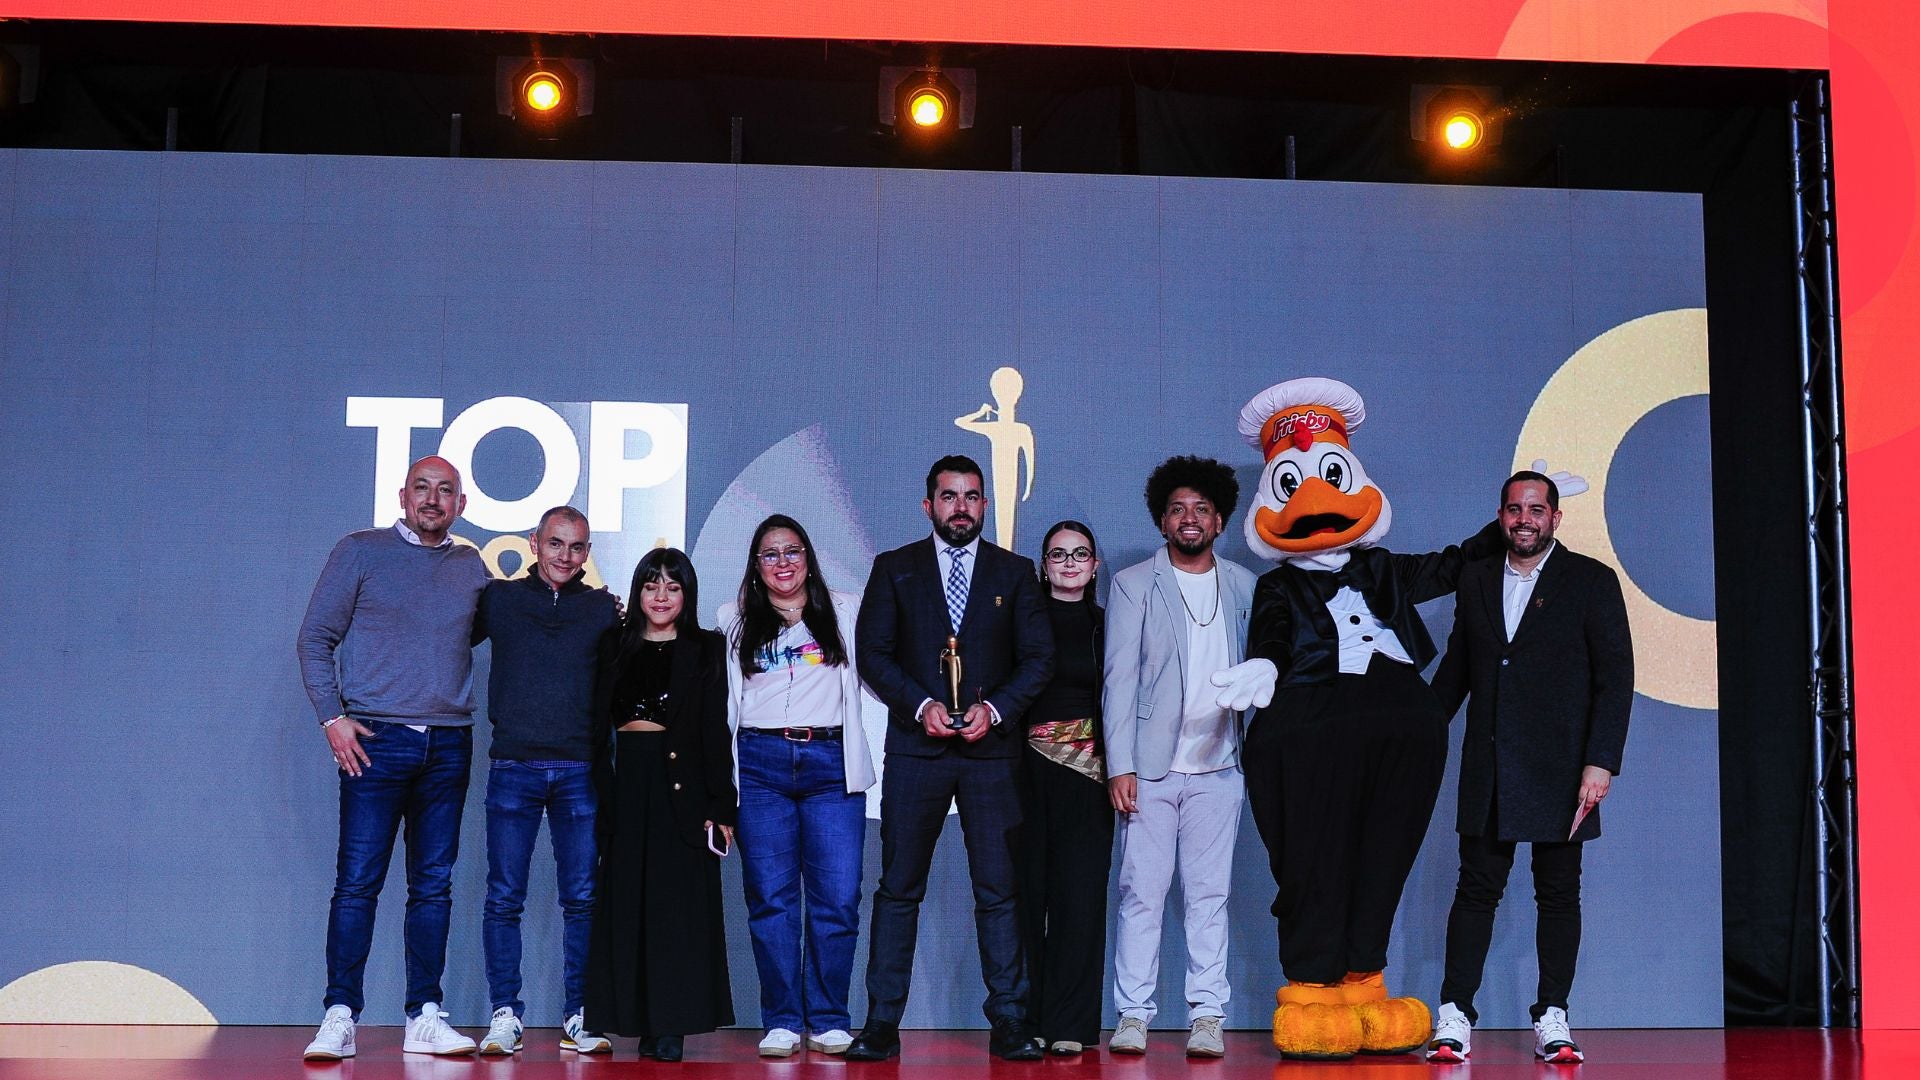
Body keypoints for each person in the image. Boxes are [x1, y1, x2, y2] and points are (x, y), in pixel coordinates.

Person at [846, 454, 1054, 1062]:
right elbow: (872, 653)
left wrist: (996, 710)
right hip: (917, 751)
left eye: (970, 497)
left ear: (984, 505)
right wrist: (920, 706)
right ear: (928, 505)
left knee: (998, 890)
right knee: (898, 889)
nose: (960, 507)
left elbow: (1038, 657)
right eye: (948, 496)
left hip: (991, 755)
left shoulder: (1015, 572)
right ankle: (881, 1024)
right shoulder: (895, 568)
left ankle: (1009, 1021)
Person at [1424, 471, 1633, 1065]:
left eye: (1536, 510)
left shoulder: (1591, 580)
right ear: (1500, 517)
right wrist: (1417, 732)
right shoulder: (1476, 578)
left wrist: (1601, 762)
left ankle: (1553, 1017)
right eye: (1515, 509)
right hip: (1489, 763)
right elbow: (1458, 670)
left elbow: (1615, 678)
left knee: (1559, 893)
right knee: (1476, 889)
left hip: (1564, 770)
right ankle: (1454, 1016)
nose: (1525, 519)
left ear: (1555, 519)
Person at [296, 455, 490, 1060]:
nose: (433, 499)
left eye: (445, 490)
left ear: (460, 504)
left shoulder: (470, 565)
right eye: (422, 488)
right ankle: (339, 1016)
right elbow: (315, 638)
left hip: (449, 742)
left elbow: (480, 632)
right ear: (403, 495)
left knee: (433, 887)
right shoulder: (360, 551)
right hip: (376, 742)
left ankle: (424, 1017)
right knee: (358, 884)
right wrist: (332, 719)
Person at [1102, 458, 1260, 1059]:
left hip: (1221, 767)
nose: (1189, 518)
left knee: (1209, 896)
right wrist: (1120, 764)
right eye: (1177, 509)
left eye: (1201, 509)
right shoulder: (1133, 583)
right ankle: (1133, 1014)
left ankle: (1207, 1015)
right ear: (1161, 520)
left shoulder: (1245, 585)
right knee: (1141, 893)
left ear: (1219, 520)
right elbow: (1118, 679)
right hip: (1149, 769)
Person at [718, 514, 877, 1058]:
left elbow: (880, 672)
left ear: (809, 558)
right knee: (771, 899)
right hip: (759, 765)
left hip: (830, 763)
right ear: (756, 565)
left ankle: (830, 1017)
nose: (782, 562)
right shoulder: (733, 619)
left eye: (792, 551)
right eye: (770, 554)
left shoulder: (847, 612)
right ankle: (783, 1018)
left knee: (838, 898)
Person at [471, 506, 622, 1056]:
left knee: (581, 898)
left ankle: (579, 1014)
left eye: (577, 547)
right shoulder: (499, 599)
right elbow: (438, 637)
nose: (565, 555)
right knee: (504, 897)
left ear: (587, 553)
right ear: (534, 544)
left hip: (579, 770)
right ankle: (504, 1014)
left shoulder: (603, 609)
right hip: (514, 765)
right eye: (556, 543)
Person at [581, 548, 737, 1061]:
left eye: (673, 586)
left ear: (687, 594)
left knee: (678, 911)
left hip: (684, 790)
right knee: (630, 906)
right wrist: (603, 791)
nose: (662, 596)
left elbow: (715, 730)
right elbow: (595, 728)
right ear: (638, 593)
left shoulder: (706, 648)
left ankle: (671, 1026)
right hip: (628, 785)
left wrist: (722, 805)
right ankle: (637, 1020)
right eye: (652, 586)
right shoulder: (614, 644)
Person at [1017, 520, 1113, 1056]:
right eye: (1058, 554)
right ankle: (1027, 1019)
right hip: (1024, 774)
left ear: (1095, 565)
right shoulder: (1022, 622)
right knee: (1027, 896)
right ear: (1044, 565)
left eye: (1080, 554)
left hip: (1090, 776)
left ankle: (1071, 1022)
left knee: (1080, 899)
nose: (1070, 563)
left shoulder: (1108, 626)